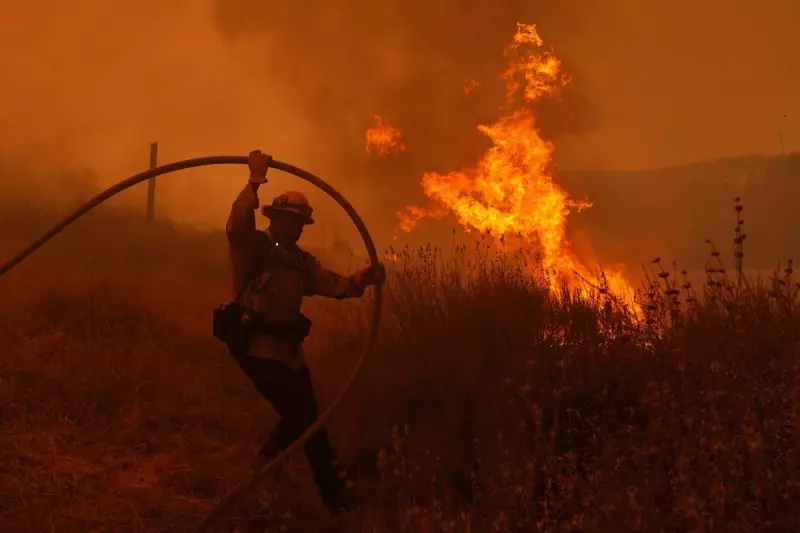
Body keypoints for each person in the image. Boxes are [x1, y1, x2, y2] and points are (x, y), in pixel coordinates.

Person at [225, 149, 385, 514]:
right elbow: (236, 225)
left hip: (287, 353)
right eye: (292, 222)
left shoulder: (300, 262)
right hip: (255, 348)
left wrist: (363, 278)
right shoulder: (253, 247)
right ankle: (335, 495)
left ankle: (267, 459)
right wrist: (255, 181)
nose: (297, 229)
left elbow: (336, 285)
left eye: (301, 224)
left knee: (303, 412)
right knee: (307, 420)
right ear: (276, 218)